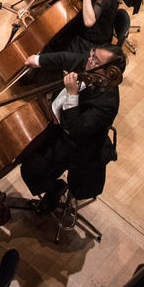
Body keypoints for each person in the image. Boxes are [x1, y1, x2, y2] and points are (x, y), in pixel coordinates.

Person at [17, 45, 123, 211]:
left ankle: (55, 189)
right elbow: (65, 58)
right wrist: (37, 60)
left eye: (96, 61)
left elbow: (76, 130)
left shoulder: (107, 103)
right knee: (23, 151)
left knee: (31, 169)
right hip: (56, 122)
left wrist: (73, 95)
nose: (90, 59)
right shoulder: (89, 65)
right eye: (93, 54)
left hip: (74, 143)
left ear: (109, 72)